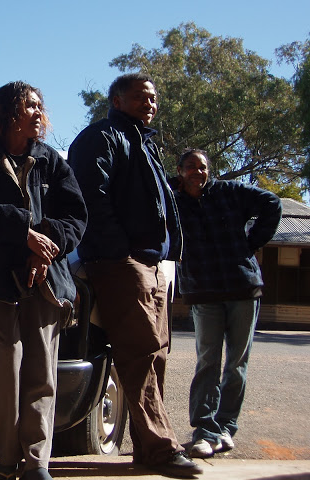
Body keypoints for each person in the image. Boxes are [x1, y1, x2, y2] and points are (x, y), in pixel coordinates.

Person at [68, 72, 203, 477]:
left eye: (154, 98)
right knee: (141, 354)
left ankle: (147, 451)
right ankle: (163, 450)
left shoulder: (144, 143)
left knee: (156, 353)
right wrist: (119, 251)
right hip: (121, 264)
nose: (151, 103)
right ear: (117, 99)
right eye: (142, 96)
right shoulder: (102, 137)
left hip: (151, 264)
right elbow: (92, 196)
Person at [0, 81, 87, 480]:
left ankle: (36, 463)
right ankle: (7, 460)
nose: (39, 112)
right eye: (30, 105)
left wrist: (44, 248)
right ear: (7, 112)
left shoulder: (51, 160)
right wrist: (24, 232)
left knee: (42, 370)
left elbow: (76, 217)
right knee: (7, 367)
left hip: (44, 277)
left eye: (40, 105)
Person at [174, 149, 282, 458]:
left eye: (203, 167)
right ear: (180, 171)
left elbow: (271, 203)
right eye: (191, 167)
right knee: (208, 361)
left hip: (242, 288)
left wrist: (251, 242)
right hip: (203, 290)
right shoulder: (173, 200)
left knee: (237, 364)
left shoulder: (228, 191)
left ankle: (225, 427)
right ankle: (204, 430)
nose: (199, 172)